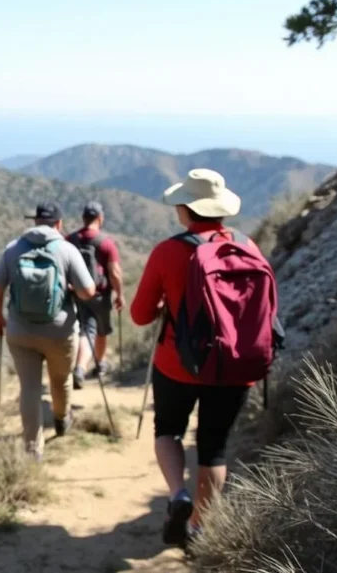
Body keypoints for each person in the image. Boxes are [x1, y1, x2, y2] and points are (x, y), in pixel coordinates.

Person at [130, 168, 259, 547]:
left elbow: (140, 315)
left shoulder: (169, 251)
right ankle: (200, 529)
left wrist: (163, 308)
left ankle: (178, 495)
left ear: (185, 208)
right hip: (235, 365)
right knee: (214, 447)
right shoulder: (247, 246)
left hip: (178, 364)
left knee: (168, 431)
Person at [0, 201, 96, 459]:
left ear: (35, 222)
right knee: (60, 380)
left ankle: (32, 450)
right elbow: (88, 291)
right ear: (58, 224)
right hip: (60, 331)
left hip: (20, 331)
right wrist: (70, 290)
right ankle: (61, 418)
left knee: (30, 388)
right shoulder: (67, 250)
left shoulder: (13, 249)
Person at [68, 201, 124, 389]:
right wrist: (120, 294)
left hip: (75, 293)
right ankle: (85, 367)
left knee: (86, 330)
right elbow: (114, 272)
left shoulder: (70, 240)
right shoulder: (105, 242)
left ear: (84, 218)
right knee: (97, 331)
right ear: (100, 218)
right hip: (100, 295)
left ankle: (95, 364)